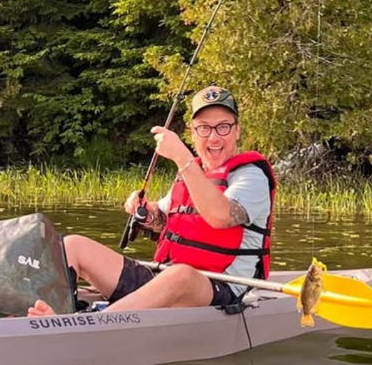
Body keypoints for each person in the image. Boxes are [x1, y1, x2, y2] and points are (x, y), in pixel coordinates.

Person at [28, 85, 276, 316]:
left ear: (237, 130)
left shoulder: (251, 176)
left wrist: (182, 157)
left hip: (221, 287)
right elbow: (163, 218)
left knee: (182, 276)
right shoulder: (192, 172)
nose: (213, 138)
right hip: (165, 277)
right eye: (204, 128)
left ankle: (93, 325)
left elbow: (220, 216)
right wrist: (145, 211)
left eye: (223, 127)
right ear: (192, 132)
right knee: (72, 245)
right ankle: (43, 315)